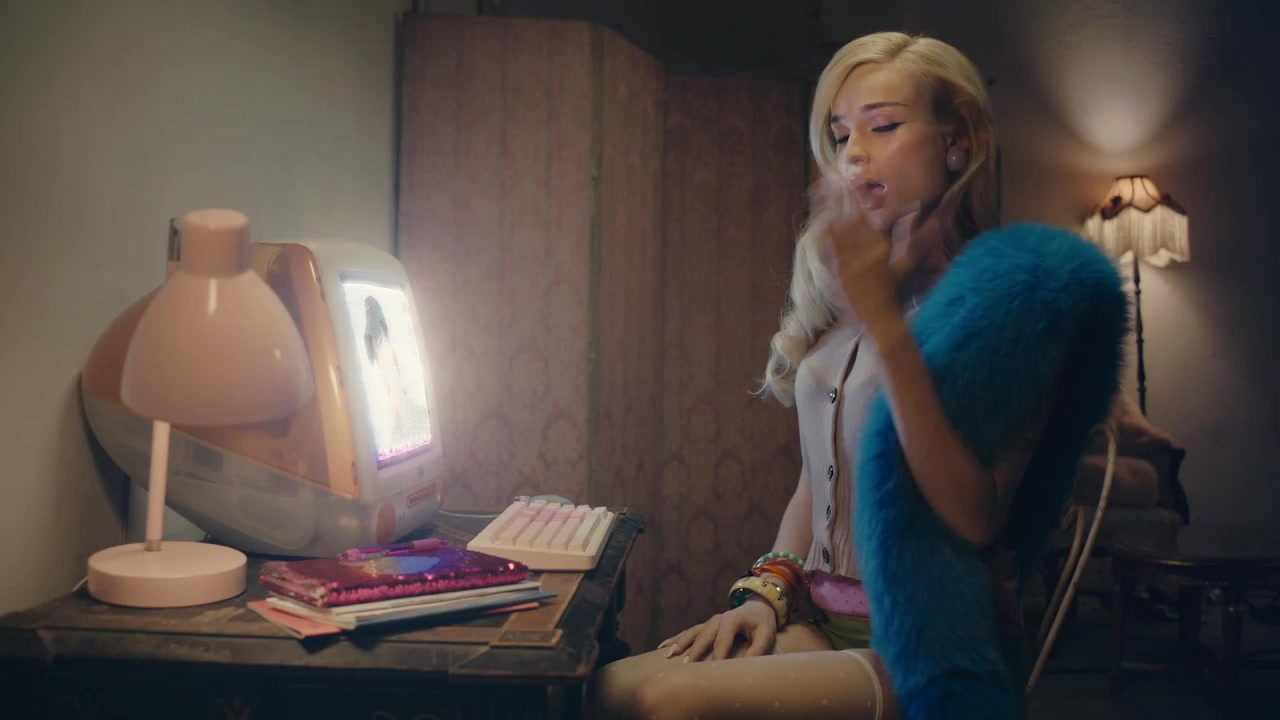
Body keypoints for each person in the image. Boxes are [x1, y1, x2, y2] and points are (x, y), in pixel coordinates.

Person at [587, 31, 1073, 720]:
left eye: (884, 126)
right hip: (823, 617)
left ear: (959, 139)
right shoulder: (853, 289)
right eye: (841, 135)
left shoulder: (1010, 308)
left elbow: (975, 517)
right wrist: (766, 594)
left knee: (668, 704)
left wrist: (886, 326)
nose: (854, 154)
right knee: (606, 690)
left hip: (936, 645)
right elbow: (814, 484)